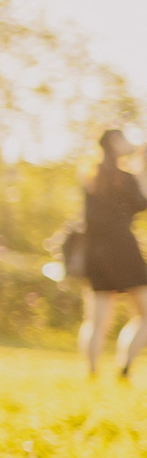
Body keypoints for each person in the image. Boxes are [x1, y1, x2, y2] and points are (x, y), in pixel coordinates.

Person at [80, 127, 147, 380]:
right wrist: (142, 169)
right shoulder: (126, 178)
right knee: (145, 315)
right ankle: (125, 366)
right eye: (123, 138)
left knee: (96, 320)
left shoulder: (90, 175)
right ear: (113, 143)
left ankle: (92, 371)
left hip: (95, 251)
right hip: (123, 249)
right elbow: (143, 203)